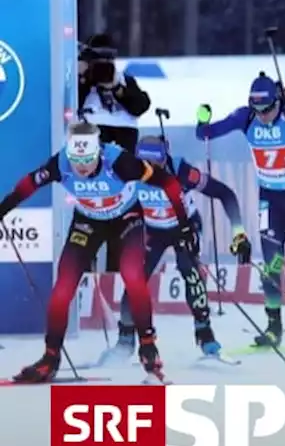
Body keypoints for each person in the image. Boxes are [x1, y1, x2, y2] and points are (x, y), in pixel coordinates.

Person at [0, 122, 195, 383]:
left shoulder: (121, 163)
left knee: (133, 277)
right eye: (76, 161)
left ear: (99, 154)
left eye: (88, 162)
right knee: (63, 288)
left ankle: (148, 348)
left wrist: (184, 225)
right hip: (89, 220)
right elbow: (26, 186)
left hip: (127, 218)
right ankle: (50, 358)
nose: (81, 168)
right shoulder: (61, 163)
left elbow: (169, 183)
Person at [195, 73, 285, 348]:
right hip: (270, 199)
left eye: (267, 109)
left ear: (278, 103)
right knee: (271, 264)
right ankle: (273, 327)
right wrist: (203, 118)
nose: (262, 116)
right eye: (257, 109)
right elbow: (204, 134)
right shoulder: (245, 117)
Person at [100, 134, 251, 363]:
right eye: (145, 164)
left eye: (156, 165)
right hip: (152, 230)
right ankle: (125, 341)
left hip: (184, 227)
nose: (150, 170)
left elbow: (225, 194)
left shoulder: (182, 171)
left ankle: (205, 335)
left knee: (190, 273)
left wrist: (238, 232)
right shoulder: (128, 170)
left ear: (165, 158)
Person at [77, 33, 151, 278]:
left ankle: (115, 289)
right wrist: (83, 77)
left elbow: (141, 105)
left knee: (119, 242)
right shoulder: (82, 85)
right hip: (90, 176)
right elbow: (66, 106)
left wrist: (116, 88)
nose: (103, 68)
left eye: (108, 60)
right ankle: (86, 291)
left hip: (121, 180)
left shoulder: (124, 80)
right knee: (86, 238)